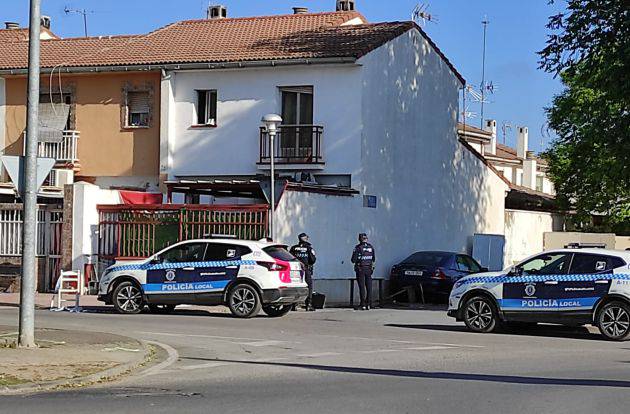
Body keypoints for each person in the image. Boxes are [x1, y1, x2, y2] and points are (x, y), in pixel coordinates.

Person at [290, 233, 317, 311]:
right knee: (309, 286)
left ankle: (294, 305)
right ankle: (308, 304)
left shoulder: (294, 248)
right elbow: (313, 260)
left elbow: (290, 258)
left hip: (296, 270)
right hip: (306, 269)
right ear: (305, 239)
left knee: (296, 286)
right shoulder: (308, 248)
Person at [351, 233, 375, 310]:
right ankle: (369, 303)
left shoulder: (358, 247)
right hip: (369, 268)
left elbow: (353, 260)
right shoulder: (371, 247)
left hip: (360, 268)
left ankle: (363, 304)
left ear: (360, 239)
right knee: (369, 286)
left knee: (362, 287)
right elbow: (373, 258)